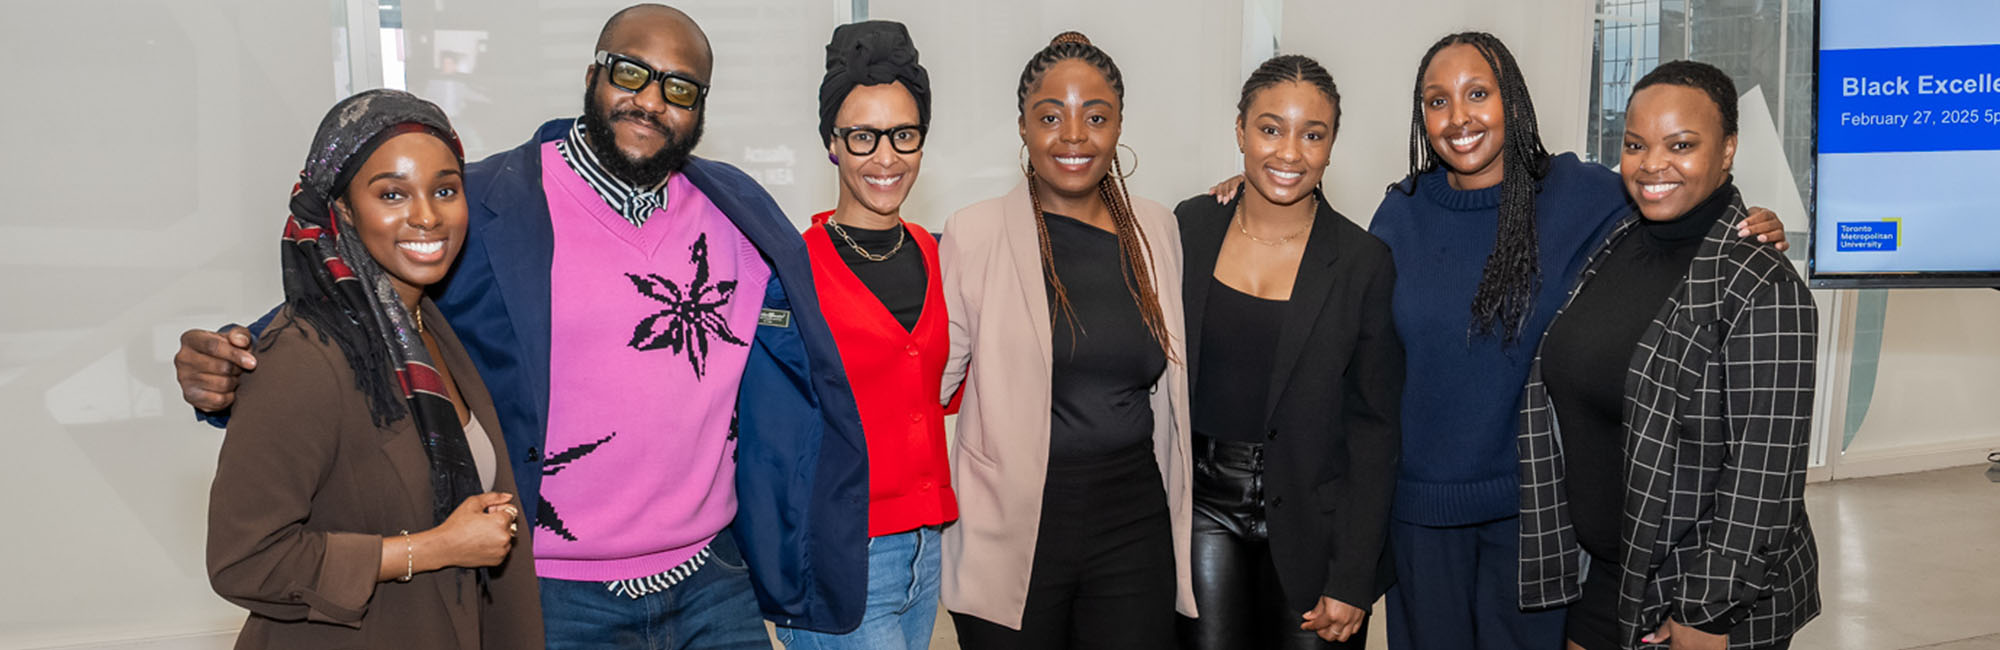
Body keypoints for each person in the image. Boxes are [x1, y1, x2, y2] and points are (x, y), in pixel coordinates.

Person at [176, 5, 870, 648]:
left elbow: (796, 363)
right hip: (550, 589)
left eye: (680, 88)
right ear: (593, 75)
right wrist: (232, 365)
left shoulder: (738, 211)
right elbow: (345, 307)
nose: (651, 100)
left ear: (702, 108)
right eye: (631, 73)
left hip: (715, 580)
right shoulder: (480, 203)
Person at [1208, 32, 1790, 650]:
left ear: (1512, 99)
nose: (1458, 117)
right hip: (1418, 517)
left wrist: (1749, 221)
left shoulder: (1583, 194)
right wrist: (1255, 191)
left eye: (1478, 94)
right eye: (1438, 101)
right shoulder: (1401, 213)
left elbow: (1672, 197)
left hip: (1535, 519)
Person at [206, 89, 541, 649]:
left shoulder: (430, 329)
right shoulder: (304, 353)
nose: (427, 216)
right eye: (392, 194)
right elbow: (244, 560)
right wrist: (434, 548)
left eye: (445, 190)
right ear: (341, 209)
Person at [1518, 60, 1820, 650]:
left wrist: (1706, 611)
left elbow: (1764, 474)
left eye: (1681, 145)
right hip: (1606, 578)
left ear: (1727, 149)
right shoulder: (1619, 241)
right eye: (1636, 145)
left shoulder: (1762, 284)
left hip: (1699, 593)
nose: (1653, 163)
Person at [938, 30, 1194, 650]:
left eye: (1096, 117)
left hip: (1134, 519)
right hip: (1011, 524)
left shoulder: (1157, 228)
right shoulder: (974, 234)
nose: (1073, 136)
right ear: (1022, 128)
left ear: (1119, 125)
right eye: (1050, 117)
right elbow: (931, 385)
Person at [1173, 54, 1401, 650]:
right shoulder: (1190, 227)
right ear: (1240, 130)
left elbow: (1374, 431)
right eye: (1271, 129)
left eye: (1313, 134)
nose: (1290, 152)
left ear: (1331, 146)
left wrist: (1353, 575)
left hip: (1314, 518)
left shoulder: (1363, 262)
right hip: (1202, 509)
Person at [775, 20, 954, 650]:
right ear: (832, 142)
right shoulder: (793, 270)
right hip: (840, 551)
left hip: (928, 551)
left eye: (904, 134)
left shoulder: (941, 255)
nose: (886, 157)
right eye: (862, 137)